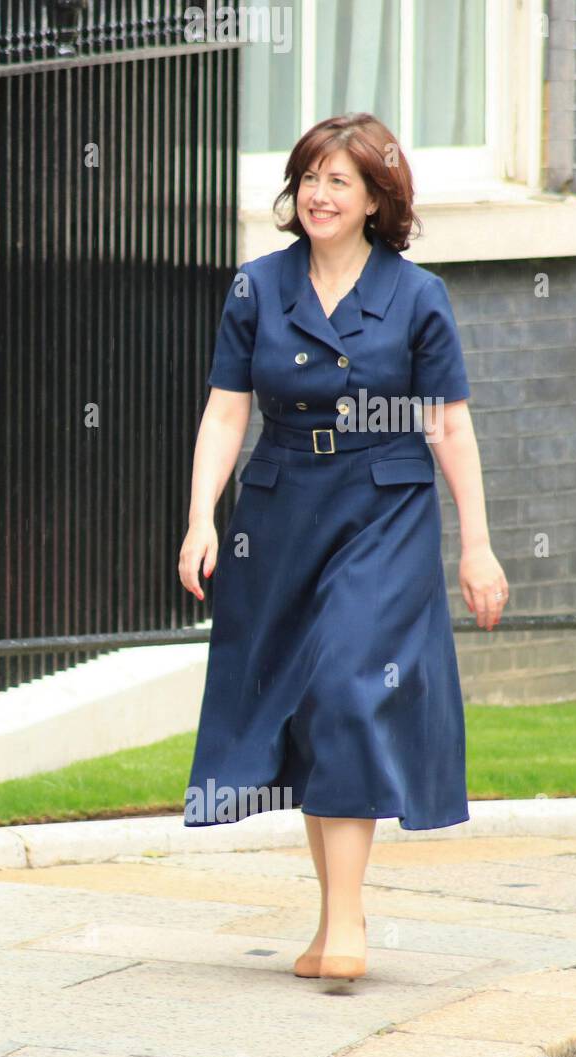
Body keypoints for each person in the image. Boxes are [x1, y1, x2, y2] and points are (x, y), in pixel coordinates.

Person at [177, 113, 507, 982]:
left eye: (339, 182)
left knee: (348, 685)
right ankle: (331, 921)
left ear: (375, 200)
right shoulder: (256, 287)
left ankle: (350, 919)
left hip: (385, 507)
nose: (319, 195)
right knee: (309, 707)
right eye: (310, 178)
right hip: (282, 514)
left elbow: (450, 426)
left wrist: (477, 545)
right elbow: (226, 410)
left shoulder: (418, 295)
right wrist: (201, 516)